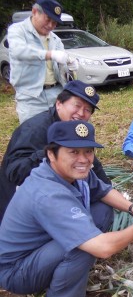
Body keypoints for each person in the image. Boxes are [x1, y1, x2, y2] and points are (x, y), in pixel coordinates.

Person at [0, 121, 133, 297]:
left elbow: (102, 191)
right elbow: (103, 249)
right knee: (82, 246)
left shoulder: (72, 171)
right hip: (17, 271)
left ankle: (65, 272)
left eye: (88, 151)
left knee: (101, 211)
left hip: (40, 250)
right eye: (73, 152)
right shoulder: (48, 193)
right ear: (51, 153)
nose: (83, 159)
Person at [0, 80, 111, 226]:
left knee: (104, 209)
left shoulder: (72, 128)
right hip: (24, 206)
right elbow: (15, 172)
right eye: (77, 105)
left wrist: (109, 190)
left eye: (88, 110)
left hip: (52, 196)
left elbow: (93, 164)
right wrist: (51, 155)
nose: (81, 114)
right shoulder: (35, 129)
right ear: (59, 103)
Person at [7, 0, 79, 124]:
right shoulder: (17, 31)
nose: (51, 25)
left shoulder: (55, 39)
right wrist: (49, 54)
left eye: (55, 22)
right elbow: (19, 51)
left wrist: (70, 65)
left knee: (59, 135)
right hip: (31, 97)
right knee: (33, 136)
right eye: (48, 19)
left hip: (57, 94)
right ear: (35, 12)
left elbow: (60, 67)